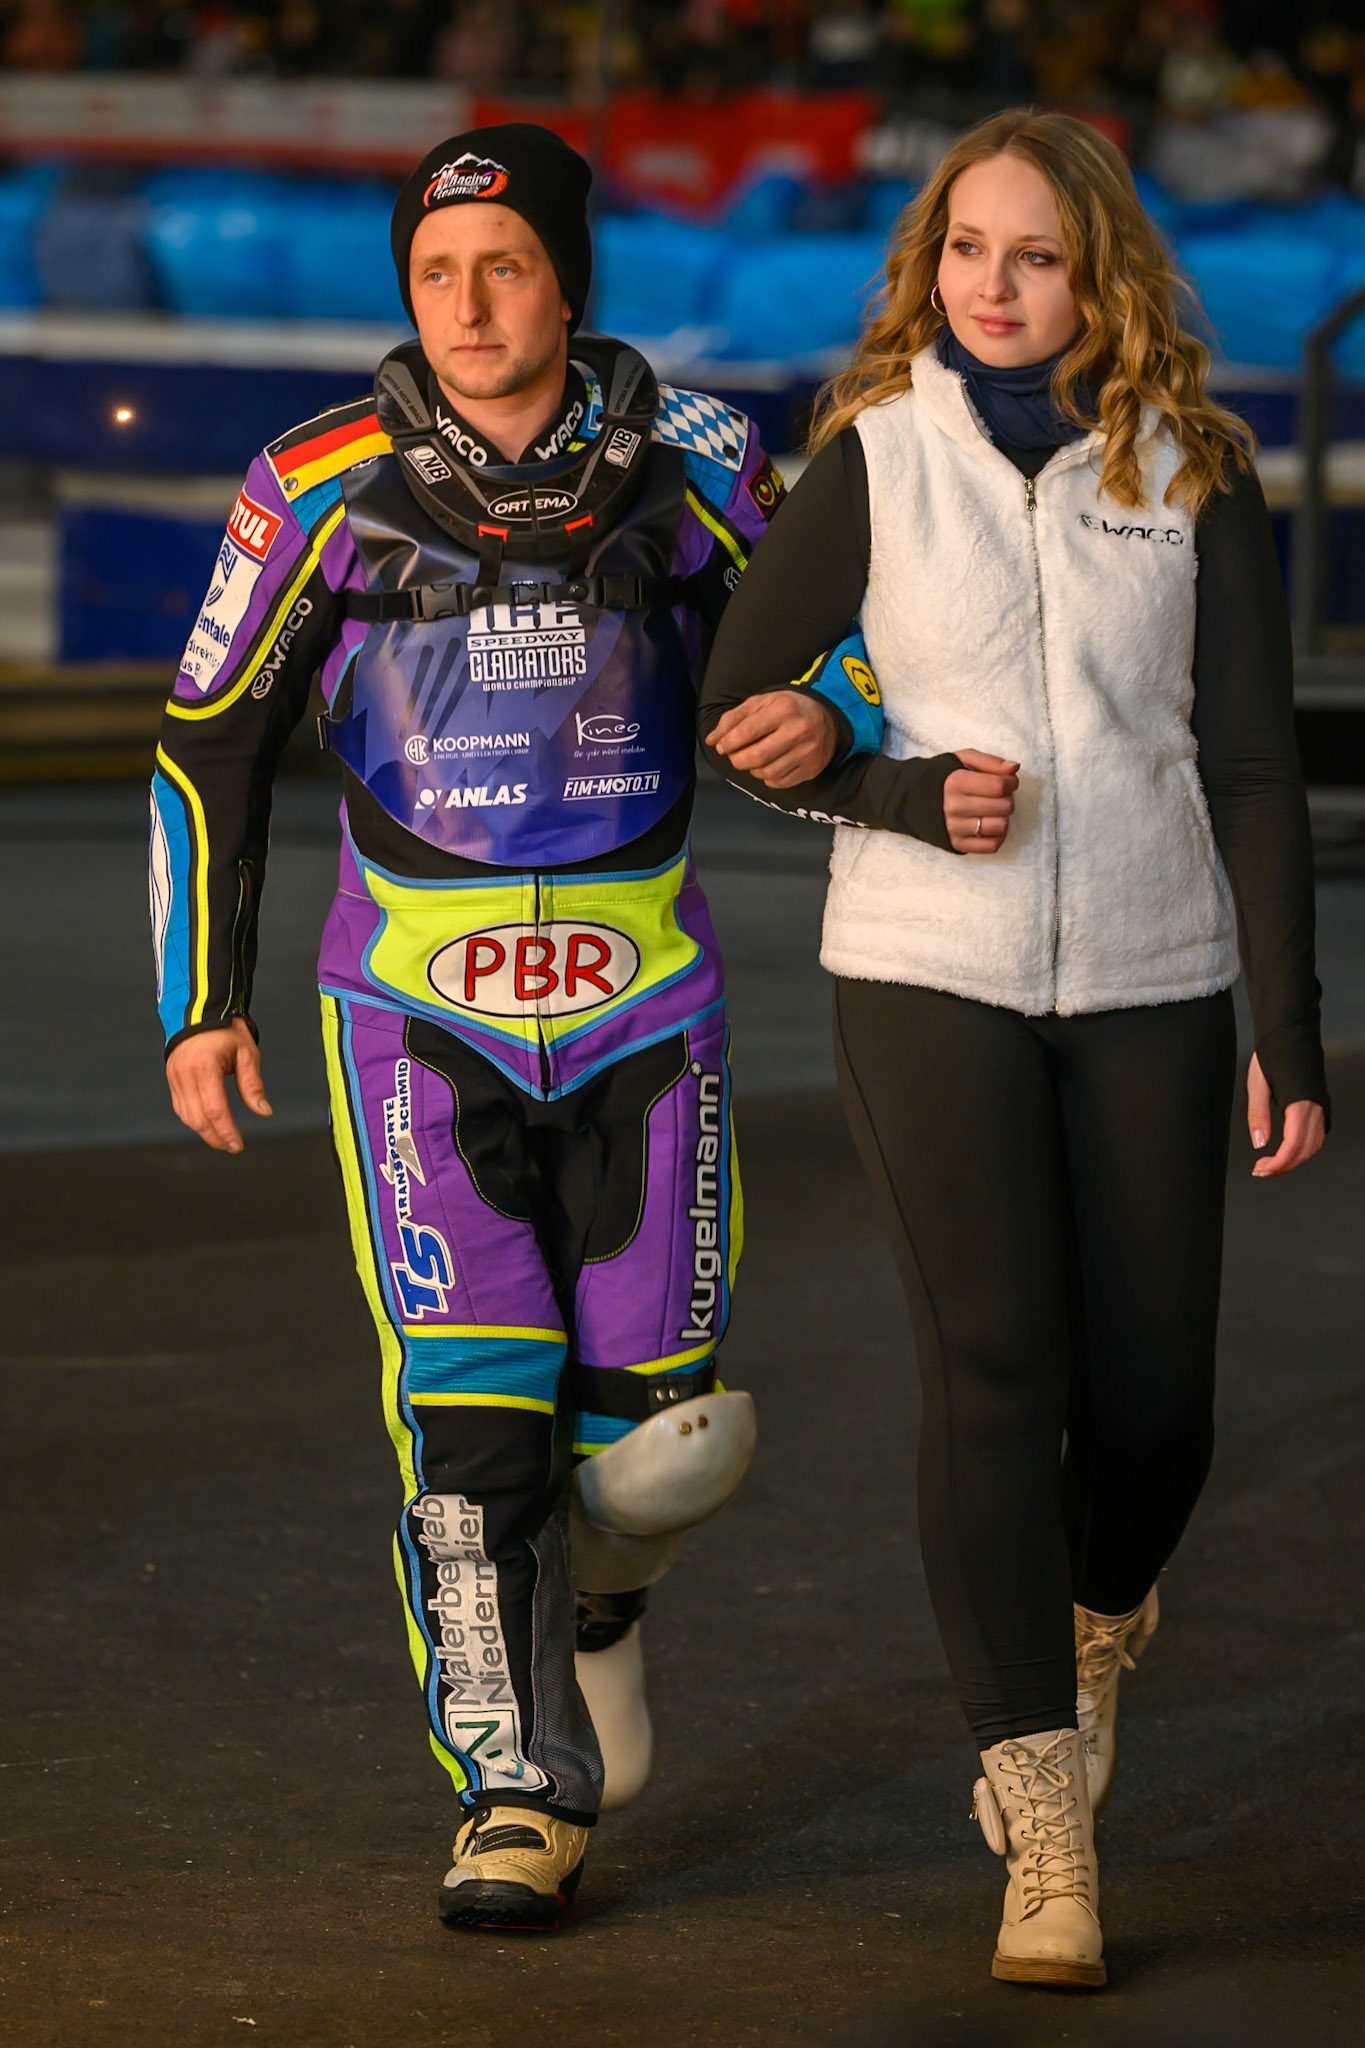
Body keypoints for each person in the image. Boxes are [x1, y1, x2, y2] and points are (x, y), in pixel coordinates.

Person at [700, 107, 1327, 1988]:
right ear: (930, 264)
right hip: (926, 970)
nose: (993, 285)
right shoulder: (875, 458)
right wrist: (889, 789)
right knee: (994, 1370)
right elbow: (739, 699)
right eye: (966, 250)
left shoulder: (1192, 467)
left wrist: (1286, 1028)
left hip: (1153, 969)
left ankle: (1097, 1614)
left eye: (1033, 254)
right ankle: (1042, 1823)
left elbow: (1253, 765)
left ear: (1096, 273)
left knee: (1156, 1413)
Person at [150, 123, 779, 1932]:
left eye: (505, 267)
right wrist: (201, 1006)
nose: (469, 306)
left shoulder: (708, 458)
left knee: (668, 1438)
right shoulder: (311, 480)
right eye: (436, 274)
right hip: (413, 1025)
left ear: (568, 282)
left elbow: (844, 663)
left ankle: (605, 1599)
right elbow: (208, 744)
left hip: (649, 1008)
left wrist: (848, 732)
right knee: (473, 1419)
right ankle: (514, 1790)